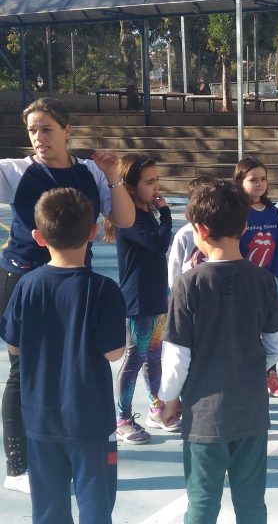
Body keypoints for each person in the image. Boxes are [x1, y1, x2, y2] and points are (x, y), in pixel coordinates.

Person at [0, 97, 134, 494]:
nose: (39, 137)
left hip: (77, 283)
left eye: (47, 129)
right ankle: (18, 464)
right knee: (23, 371)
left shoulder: (90, 171)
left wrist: (112, 175)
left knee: (76, 367)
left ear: (67, 131)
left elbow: (125, 219)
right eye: (33, 130)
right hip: (26, 282)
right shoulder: (16, 171)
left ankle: (69, 452)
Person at [158, 179, 278, 524]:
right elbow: (277, 343)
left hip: (204, 416)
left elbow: (177, 355)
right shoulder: (263, 280)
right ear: (244, 226)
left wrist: (169, 398)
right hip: (251, 413)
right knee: (251, 503)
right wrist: (252, 365)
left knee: (202, 504)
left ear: (199, 230)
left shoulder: (188, 284)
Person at [0, 187, 126, 523]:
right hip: (90, 420)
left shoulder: (27, 285)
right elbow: (114, 352)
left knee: (48, 510)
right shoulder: (103, 289)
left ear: (39, 237)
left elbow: (14, 345)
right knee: (96, 506)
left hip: (40, 417)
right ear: (93, 231)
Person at [105, 153, 174, 444]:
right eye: (149, 182)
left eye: (157, 180)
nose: (156, 186)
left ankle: (156, 408)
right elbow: (158, 243)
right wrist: (166, 213)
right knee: (135, 357)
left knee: (154, 355)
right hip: (139, 301)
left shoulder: (146, 213)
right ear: (131, 187)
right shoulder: (130, 217)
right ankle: (122, 419)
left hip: (156, 297)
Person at [233, 156, 278, 398]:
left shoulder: (272, 213)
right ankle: (244, 376)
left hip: (267, 285)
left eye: (263, 179)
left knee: (270, 331)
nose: (259, 184)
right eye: (252, 179)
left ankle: (270, 375)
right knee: (246, 332)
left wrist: (275, 275)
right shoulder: (237, 212)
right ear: (240, 181)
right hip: (243, 284)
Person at [167, 176, 210, 288]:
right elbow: (175, 266)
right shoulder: (184, 234)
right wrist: (176, 291)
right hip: (190, 290)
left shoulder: (222, 231)